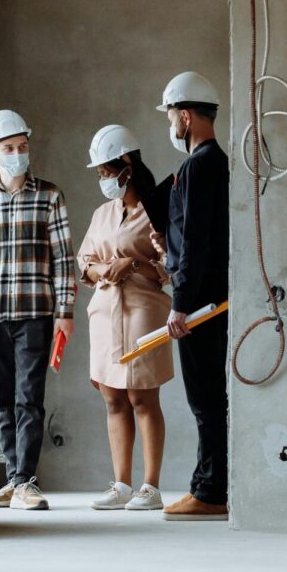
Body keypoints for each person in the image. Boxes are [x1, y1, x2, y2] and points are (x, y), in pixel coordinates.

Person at [77, 125, 173, 511]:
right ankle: (121, 483)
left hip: (142, 311)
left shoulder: (158, 211)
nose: (103, 179)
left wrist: (132, 263)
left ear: (127, 165)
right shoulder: (102, 214)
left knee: (142, 396)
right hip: (103, 312)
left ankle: (150, 486)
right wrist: (102, 271)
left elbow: (169, 267)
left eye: (106, 171)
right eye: (99, 173)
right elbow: (85, 262)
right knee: (113, 397)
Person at [0, 109, 75, 511]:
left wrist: (65, 313)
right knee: (1, 398)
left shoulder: (49, 195)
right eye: (9, 148)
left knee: (28, 397)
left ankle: (26, 480)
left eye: (22, 147)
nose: (18, 154)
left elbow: (64, 260)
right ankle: (12, 477)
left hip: (36, 313)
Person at [155, 72, 230, 521]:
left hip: (200, 305)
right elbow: (193, 238)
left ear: (185, 116)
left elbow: (199, 240)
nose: (171, 125)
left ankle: (210, 491)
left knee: (204, 398)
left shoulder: (198, 166)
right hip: (207, 297)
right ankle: (209, 485)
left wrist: (179, 303)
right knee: (209, 398)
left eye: (170, 116)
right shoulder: (214, 164)